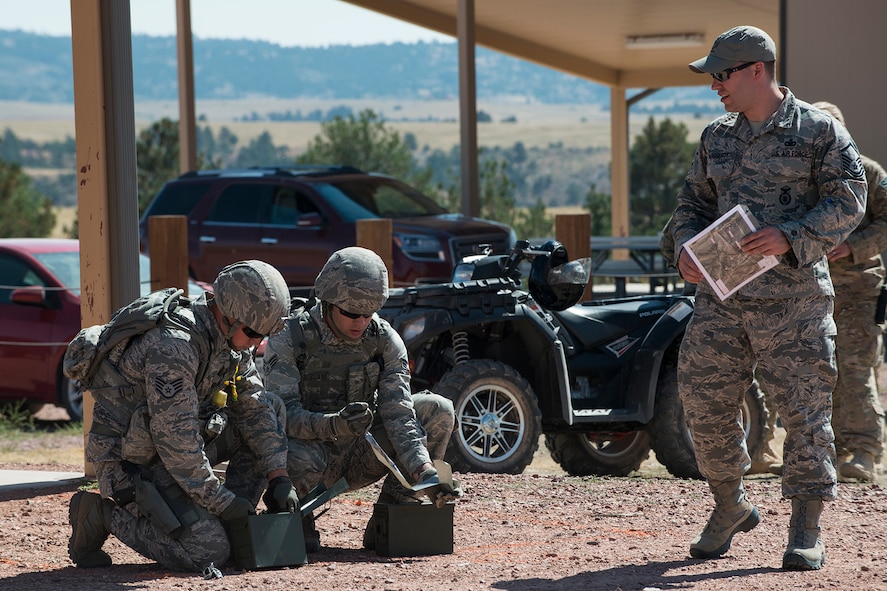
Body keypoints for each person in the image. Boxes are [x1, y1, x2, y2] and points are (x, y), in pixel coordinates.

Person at [670, 26, 867, 571]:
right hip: (722, 299)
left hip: (794, 302)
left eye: (722, 74)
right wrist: (685, 246)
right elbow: (691, 201)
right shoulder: (717, 137)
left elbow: (851, 198)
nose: (715, 85)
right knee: (702, 401)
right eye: (713, 76)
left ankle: (805, 525)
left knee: (804, 413)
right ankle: (730, 505)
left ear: (758, 70)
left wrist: (793, 236)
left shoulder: (818, 131)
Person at [66, 260, 299, 572]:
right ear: (228, 315)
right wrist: (224, 503)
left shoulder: (232, 341)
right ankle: (100, 515)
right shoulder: (174, 347)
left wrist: (278, 476)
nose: (257, 343)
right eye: (255, 332)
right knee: (209, 552)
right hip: (131, 464)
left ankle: (235, 523)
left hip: (177, 448)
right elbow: (178, 445)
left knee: (271, 408)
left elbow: (254, 407)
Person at [261, 246, 460, 552]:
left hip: (363, 455)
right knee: (285, 443)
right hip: (309, 457)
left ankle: (395, 512)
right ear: (328, 300)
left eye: (369, 314)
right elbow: (281, 415)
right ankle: (297, 517)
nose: (361, 322)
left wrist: (424, 472)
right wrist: (332, 426)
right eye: (351, 313)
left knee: (438, 410)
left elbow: (399, 414)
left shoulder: (384, 340)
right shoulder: (290, 336)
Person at [660, 216, 783, 475]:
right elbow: (672, 235)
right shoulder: (712, 182)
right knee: (716, 390)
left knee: (784, 382)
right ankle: (738, 473)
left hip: (782, 300)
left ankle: (764, 449)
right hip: (722, 305)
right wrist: (683, 255)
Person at [811, 101, 887, 483]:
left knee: (856, 367)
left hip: (858, 288)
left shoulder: (869, 173)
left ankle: (864, 451)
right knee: (818, 371)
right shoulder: (804, 174)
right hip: (811, 290)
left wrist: (854, 246)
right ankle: (828, 450)